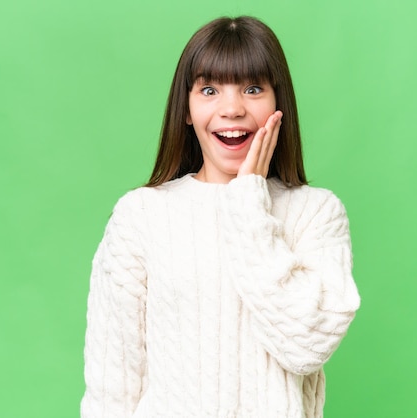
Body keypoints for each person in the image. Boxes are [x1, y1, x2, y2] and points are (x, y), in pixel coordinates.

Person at [81, 16, 360, 418]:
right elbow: (113, 384)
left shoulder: (316, 213)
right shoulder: (140, 215)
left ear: (278, 105)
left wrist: (248, 201)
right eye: (209, 89)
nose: (232, 108)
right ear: (188, 110)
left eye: (252, 88)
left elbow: (307, 346)